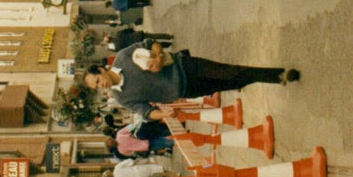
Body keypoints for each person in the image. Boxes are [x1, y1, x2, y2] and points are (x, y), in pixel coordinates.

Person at [83, 38, 299, 124]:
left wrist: (157, 56)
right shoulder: (122, 97)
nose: (100, 86)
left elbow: (152, 42)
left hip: (183, 66)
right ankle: (270, 78)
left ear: (101, 69)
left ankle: (278, 75)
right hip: (187, 89)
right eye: (96, 87)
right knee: (232, 83)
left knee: (230, 72)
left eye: (97, 80)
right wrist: (164, 114)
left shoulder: (123, 56)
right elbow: (145, 112)